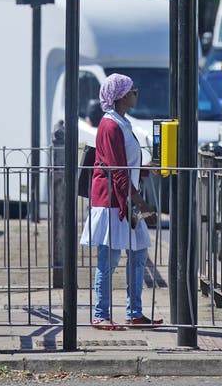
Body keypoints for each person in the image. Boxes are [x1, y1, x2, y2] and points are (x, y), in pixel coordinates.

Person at [80, 73, 161, 329]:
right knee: (109, 260)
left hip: (123, 200)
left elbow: (126, 165)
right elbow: (117, 169)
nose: (136, 94)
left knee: (138, 255)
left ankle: (134, 312)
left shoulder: (121, 122)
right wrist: (141, 203)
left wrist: (147, 169)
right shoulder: (110, 125)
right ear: (121, 96)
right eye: (133, 91)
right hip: (112, 203)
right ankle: (100, 314)